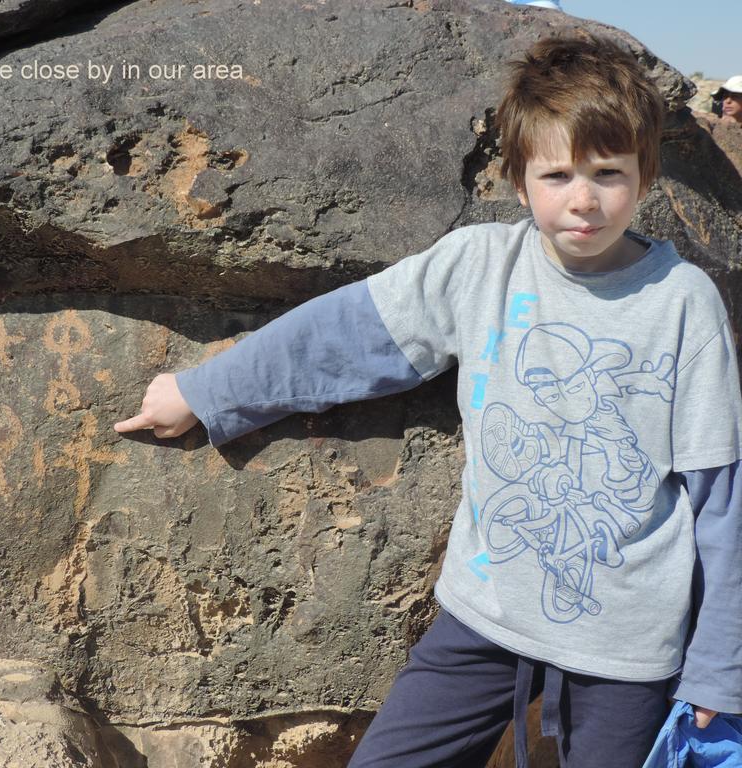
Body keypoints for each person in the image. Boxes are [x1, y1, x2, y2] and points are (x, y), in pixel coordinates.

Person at [114, 35, 742, 768]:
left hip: (630, 649)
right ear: (517, 180)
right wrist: (207, 389)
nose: (583, 198)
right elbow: (348, 334)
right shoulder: (480, 266)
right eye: (558, 172)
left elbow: (721, 496)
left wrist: (720, 665)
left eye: (608, 172)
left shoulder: (683, 303)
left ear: (646, 175)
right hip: (485, 618)